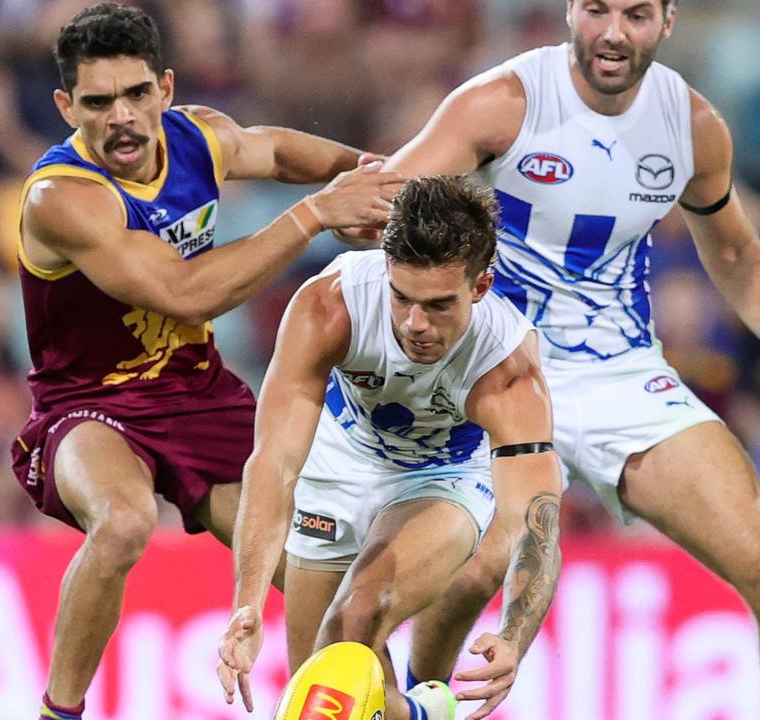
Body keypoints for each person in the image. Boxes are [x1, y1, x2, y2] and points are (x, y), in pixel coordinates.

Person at [382, 2, 760, 718]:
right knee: (477, 571)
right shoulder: (502, 104)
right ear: (570, 11)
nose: (614, 32)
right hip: (492, 370)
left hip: (618, 372)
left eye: (637, 13)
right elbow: (381, 213)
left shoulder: (692, 126)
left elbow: (737, 252)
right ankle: (416, 708)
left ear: (668, 21)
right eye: (597, 9)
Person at [10, 5, 403, 720]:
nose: (122, 118)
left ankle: (390, 706)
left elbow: (276, 152)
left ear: (164, 87)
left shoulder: (199, 136)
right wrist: (318, 212)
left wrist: (376, 177)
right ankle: (57, 714)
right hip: (89, 408)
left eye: (136, 95)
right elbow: (185, 294)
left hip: (197, 395)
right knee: (125, 522)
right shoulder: (61, 198)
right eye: (98, 103)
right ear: (68, 106)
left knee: (321, 569)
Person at [215, 176, 563, 720]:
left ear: (480, 286)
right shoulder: (329, 307)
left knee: (354, 619)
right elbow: (276, 462)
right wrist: (249, 602)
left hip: (445, 473)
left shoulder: (508, 371)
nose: (414, 323)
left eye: (438, 305)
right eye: (401, 297)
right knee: (317, 688)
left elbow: (535, 520)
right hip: (339, 459)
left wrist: (515, 635)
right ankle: (421, 713)